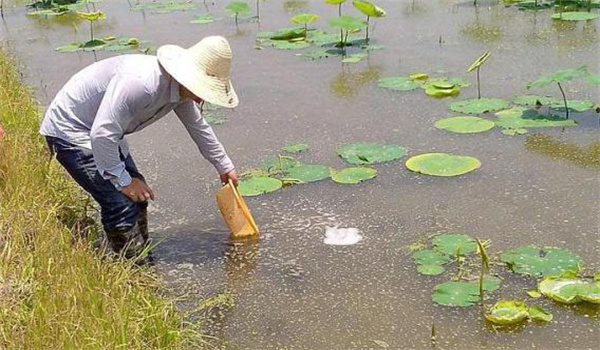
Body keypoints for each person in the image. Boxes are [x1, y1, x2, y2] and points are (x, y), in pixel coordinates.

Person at [40, 36, 239, 259]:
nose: (205, 97)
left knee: (139, 197)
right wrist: (123, 180)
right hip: (72, 132)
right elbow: (101, 134)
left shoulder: (181, 91)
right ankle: (132, 271)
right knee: (120, 203)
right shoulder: (142, 84)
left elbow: (198, 127)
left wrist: (224, 166)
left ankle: (141, 256)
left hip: (106, 133)